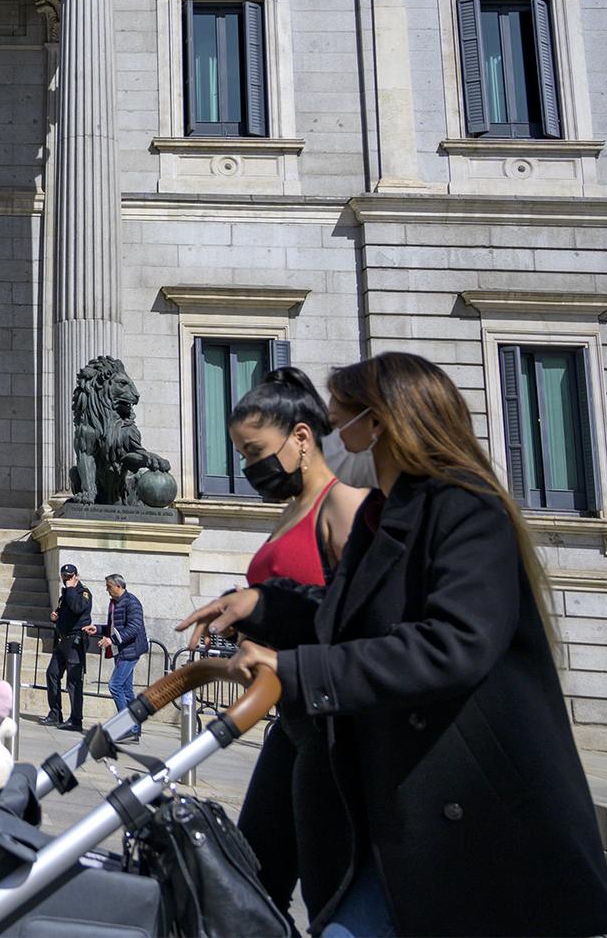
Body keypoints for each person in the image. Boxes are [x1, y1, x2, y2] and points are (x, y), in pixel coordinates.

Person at [180, 353, 607, 938]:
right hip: (389, 801)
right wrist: (261, 605)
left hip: (464, 808)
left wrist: (300, 670)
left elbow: (452, 644)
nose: (335, 439)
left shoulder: (466, 508)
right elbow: (346, 621)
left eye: (341, 422)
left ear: (380, 423)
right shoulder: (385, 517)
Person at [197, 366, 368, 915]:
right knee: (252, 877)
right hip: (290, 716)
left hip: (332, 726)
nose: (249, 467)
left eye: (254, 452)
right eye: (244, 456)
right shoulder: (291, 511)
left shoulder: (343, 506)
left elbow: (356, 621)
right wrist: (239, 606)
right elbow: (289, 602)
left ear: (301, 437)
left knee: (327, 889)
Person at [40, 564, 96, 731]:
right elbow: (63, 611)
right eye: (64, 577)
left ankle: (76, 719)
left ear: (76, 576)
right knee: (52, 673)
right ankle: (55, 713)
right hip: (62, 640)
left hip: (75, 641)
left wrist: (71, 589)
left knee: (74, 681)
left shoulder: (82, 593)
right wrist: (55, 616)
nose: (67, 580)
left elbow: (77, 608)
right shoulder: (65, 594)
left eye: (70, 576)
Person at [95, 574, 147, 743]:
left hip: (130, 651)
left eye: (109, 586)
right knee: (126, 690)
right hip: (122, 651)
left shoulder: (131, 602)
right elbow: (113, 628)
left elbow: (133, 628)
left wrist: (112, 640)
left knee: (115, 686)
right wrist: (96, 629)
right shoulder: (116, 603)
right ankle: (134, 730)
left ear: (118, 586)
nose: (107, 590)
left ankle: (127, 727)